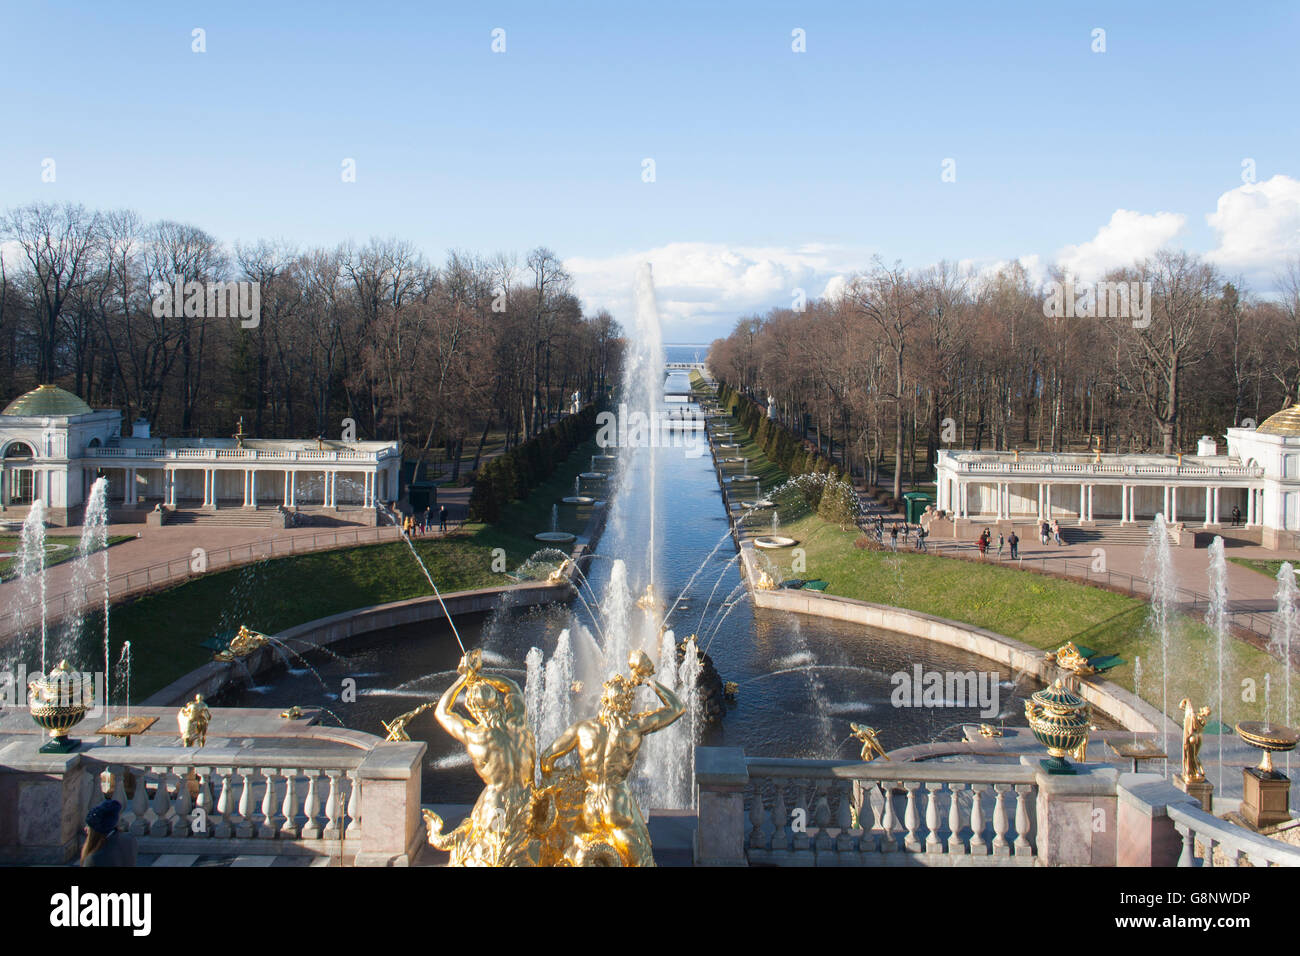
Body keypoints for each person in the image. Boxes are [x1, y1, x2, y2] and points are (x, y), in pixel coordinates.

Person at [81, 799, 137, 867]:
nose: (85, 828)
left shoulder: (94, 859)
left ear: (96, 831)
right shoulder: (130, 839)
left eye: (89, 826)